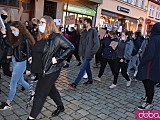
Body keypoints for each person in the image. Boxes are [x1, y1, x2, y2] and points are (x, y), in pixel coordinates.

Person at [27, 15, 74, 120]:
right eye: (40, 23)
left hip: (51, 71)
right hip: (41, 69)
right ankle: (60, 106)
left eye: (42, 23)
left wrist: (58, 58)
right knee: (51, 89)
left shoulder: (57, 37)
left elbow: (71, 47)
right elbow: (39, 51)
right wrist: (33, 58)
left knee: (40, 94)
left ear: (49, 24)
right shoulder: (40, 36)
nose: (40, 25)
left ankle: (31, 118)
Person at [0, 21, 35, 110]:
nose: (12, 32)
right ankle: (32, 93)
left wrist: (28, 68)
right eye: (11, 30)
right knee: (21, 81)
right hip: (15, 60)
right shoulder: (17, 38)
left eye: (14, 30)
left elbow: (29, 55)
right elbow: (9, 44)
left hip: (21, 63)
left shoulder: (26, 40)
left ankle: (8, 103)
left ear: (19, 29)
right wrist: (4, 35)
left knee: (13, 83)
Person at [68, 18, 100, 89]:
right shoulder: (84, 32)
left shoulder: (93, 31)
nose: (83, 23)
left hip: (88, 54)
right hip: (83, 53)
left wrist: (92, 52)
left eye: (85, 22)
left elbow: (97, 44)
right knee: (87, 67)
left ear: (88, 23)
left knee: (82, 68)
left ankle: (75, 84)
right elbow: (81, 42)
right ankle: (90, 80)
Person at [136, 22, 160, 109]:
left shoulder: (154, 39)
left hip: (150, 64)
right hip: (156, 64)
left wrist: (142, 62)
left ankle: (148, 102)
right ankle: (147, 97)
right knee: (147, 81)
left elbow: (150, 53)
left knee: (148, 82)